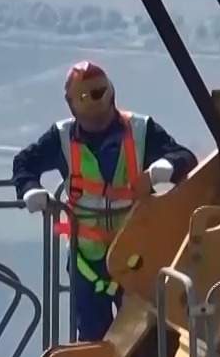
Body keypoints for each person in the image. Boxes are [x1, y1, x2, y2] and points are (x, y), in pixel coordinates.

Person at [13, 60, 199, 341]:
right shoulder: (62, 137)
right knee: (92, 335)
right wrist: (30, 189)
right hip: (87, 259)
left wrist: (163, 168)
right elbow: (24, 163)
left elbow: (183, 156)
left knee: (143, 334)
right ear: (73, 105)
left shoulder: (140, 129)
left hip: (135, 254)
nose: (97, 113)